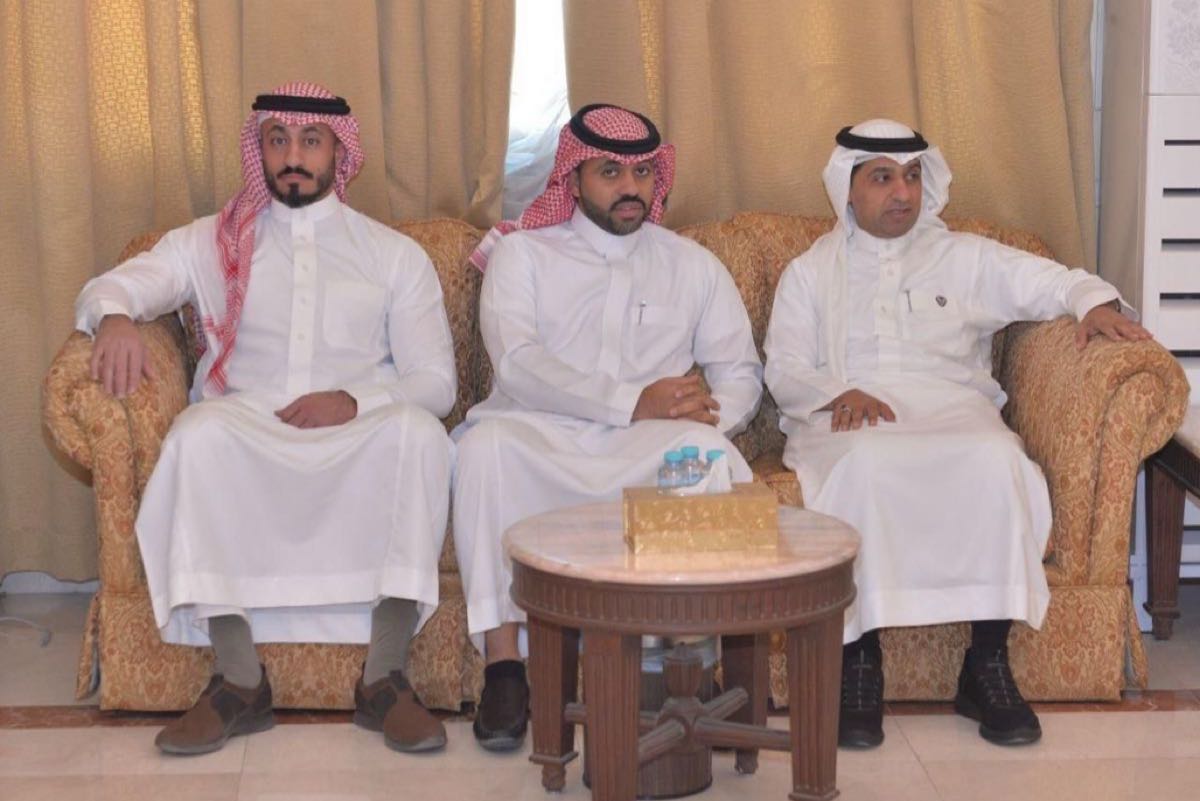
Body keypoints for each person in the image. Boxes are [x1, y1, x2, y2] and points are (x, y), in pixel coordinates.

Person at [75, 81, 457, 756]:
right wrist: (113, 317)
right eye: (278, 140)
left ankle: (385, 677)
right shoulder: (214, 240)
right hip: (246, 425)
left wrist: (353, 402)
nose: (293, 157)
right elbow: (118, 283)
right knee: (197, 436)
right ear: (260, 149)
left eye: (310, 141)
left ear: (340, 153)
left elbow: (436, 383)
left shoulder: (392, 255)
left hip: (358, 431)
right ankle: (238, 681)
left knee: (420, 435)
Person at [764, 119, 1151, 749]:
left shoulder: (965, 257)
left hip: (952, 407)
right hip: (845, 416)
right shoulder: (811, 273)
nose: (902, 193)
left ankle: (986, 665)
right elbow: (783, 367)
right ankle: (858, 664)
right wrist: (835, 394)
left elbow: (1051, 280)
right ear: (847, 188)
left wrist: (1093, 302)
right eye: (882, 178)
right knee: (863, 464)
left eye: (912, 176)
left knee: (997, 458)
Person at [454, 103, 763, 751]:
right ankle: (505, 667)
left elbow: (739, 371)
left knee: (705, 455)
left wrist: (708, 416)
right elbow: (518, 365)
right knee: (484, 449)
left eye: (643, 173)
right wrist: (630, 401)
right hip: (539, 432)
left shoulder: (691, 264)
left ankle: (680, 666)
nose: (630, 187)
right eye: (610, 172)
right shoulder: (523, 254)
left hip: (645, 444)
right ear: (572, 178)